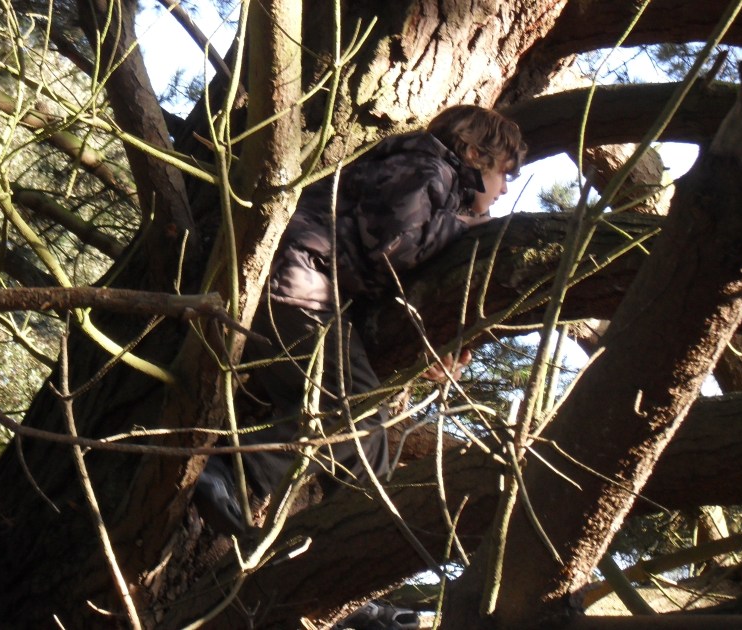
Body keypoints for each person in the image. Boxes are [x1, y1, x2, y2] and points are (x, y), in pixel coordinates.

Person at [195, 104, 526, 534]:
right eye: (504, 172)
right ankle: (233, 473)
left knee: (369, 441)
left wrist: (428, 347)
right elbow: (393, 246)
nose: (503, 190)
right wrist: (465, 226)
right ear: (473, 152)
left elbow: (381, 271)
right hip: (296, 277)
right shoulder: (427, 167)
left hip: (307, 285)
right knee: (354, 405)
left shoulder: (433, 185)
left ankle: (348, 546)